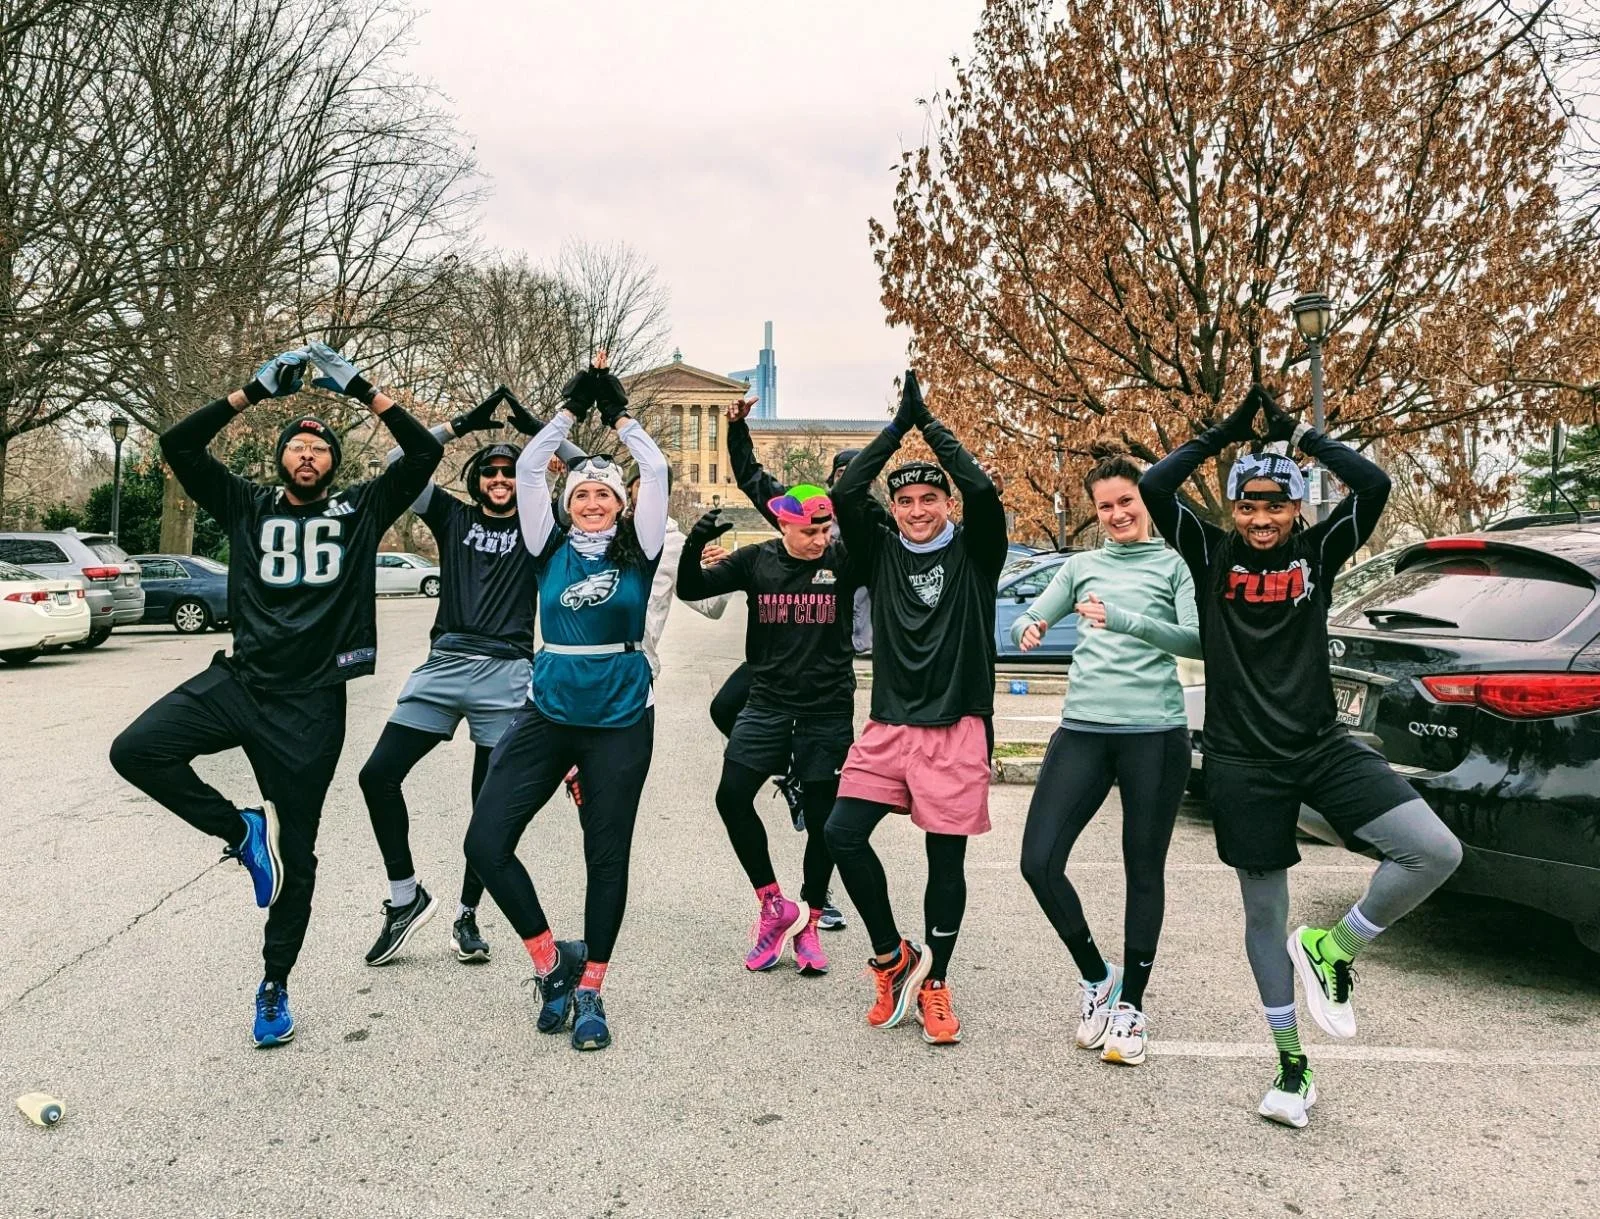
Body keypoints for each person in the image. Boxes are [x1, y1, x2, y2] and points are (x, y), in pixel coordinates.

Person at [1140, 385, 1462, 1127]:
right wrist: (1224, 432)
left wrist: (1302, 439)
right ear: (1233, 510)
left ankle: (1333, 946)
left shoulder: (1320, 549)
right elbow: (1158, 484)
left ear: (1297, 509)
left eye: (1274, 505)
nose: (1259, 519)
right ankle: (1291, 1065)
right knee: (1262, 912)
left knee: (1431, 850)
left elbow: (1374, 485)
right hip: (1241, 763)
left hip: (1321, 747)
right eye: (1247, 506)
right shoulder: (1208, 551)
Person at [109, 343, 443, 1046]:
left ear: (333, 466)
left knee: (302, 853)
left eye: (320, 449)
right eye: (298, 446)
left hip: (312, 704)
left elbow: (419, 457)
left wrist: (363, 391)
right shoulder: (244, 503)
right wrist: (250, 393)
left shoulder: (360, 509)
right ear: (281, 459)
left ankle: (274, 983)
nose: (309, 454)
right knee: (136, 749)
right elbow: (179, 444)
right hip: (242, 681)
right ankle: (238, 829)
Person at [463, 352, 668, 1053]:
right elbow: (528, 468)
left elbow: (658, 472)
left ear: (620, 504)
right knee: (485, 841)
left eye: (604, 494)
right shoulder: (546, 547)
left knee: (605, 856)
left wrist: (620, 418)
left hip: (618, 721)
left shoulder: (637, 550)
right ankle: (552, 964)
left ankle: (592, 991)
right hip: (548, 712)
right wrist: (564, 411)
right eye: (581, 493)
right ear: (566, 502)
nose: (591, 502)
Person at [357, 386, 586, 967]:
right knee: (376, 776)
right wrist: (463, 424)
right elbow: (395, 462)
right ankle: (404, 898)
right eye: (491, 472)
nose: (501, 479)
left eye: (511, 471)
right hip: (443, 663)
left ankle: (466, 916)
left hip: (506, 672)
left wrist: (542, 429)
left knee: (487, 807)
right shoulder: (450, 514)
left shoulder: (541, 528)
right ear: (476, 479)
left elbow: (591, 474)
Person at [823, 371, 1007, 1045]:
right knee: (842, 833)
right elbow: (846, 489)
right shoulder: (878, 551)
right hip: (890, 726)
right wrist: (897, 426)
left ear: (946, 503)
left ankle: (936, 984)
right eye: (909, 500)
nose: (920, 509)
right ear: (894, 509)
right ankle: (891, 956)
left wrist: (931, 427)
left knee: (944, 864)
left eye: (932, 498)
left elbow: (983, 490)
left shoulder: (975, 551)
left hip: (957, 727)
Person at [1012, 443, 1198, 1067]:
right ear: (1094, 512)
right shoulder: (1081, 566)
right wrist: (1029, 627)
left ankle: (1133, 1006)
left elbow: (1198, 640)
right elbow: (1031, 616)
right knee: (1037, 861)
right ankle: (1098, 975)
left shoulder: (1174, 565)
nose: (1118, 514)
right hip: (1083, 730)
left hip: (1155, 732)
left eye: (1127, 502)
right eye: (1106, 506)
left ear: (1145, 501)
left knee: (1142, 870)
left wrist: (1124, 619)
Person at [676, 484, 863, 977]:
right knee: (731, 798)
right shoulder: (756, 560)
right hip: (767, 704)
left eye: (825, 529)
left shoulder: (844, 559)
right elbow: (691, 589)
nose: (820, 539)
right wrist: (696, 543)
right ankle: (773, 905)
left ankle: (811, 921)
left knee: (825, 821)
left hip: (826, 709)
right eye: (809, 531)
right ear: (783, 525)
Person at [714, 395, 871, 931]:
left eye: (857, 479)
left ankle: (817, 897)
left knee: (829, 802)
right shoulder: (799, 508)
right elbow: (754, 479)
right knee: (723, 708)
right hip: (776, 664)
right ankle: (790, 774)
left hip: (825, 669)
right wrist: (737, 429)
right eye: (841, 477)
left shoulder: (860, 534)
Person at [560, 465, 731, 810]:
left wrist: (720, 573)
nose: (647, 492)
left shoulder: (674, 544)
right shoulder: (597, 529)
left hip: (637, 669)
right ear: (628, 491)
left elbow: (710, 607)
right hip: (579, 663)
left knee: (619, 780)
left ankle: (596, 792)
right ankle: (578, 772)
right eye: (640, 484)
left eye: (656, 486)